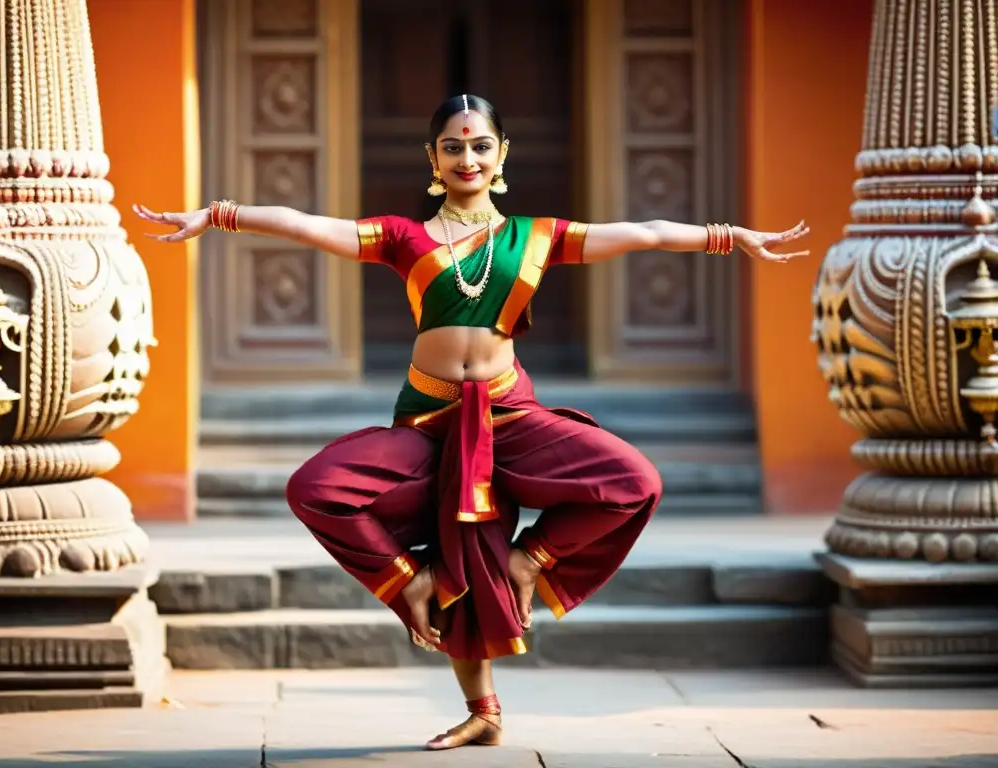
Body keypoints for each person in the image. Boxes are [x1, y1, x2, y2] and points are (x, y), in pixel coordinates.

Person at [136, 94, 809, 751]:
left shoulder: (537, 237)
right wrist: (218, 216)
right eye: (453, 146)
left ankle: (527, 562)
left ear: (501, 154)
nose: (467, 157)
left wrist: (730, 238)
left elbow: (645, 234)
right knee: (321, 489)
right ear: (433, 156)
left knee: (633, 479)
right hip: (428, 422)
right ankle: (451, 652)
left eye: (480, 145)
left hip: (510, 416)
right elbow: (307, 224)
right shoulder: (404, 238)